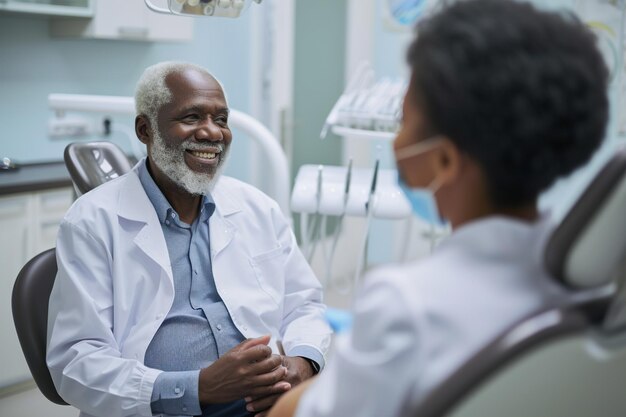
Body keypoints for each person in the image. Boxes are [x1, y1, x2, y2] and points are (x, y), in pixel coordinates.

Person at [267, 1, 609, 417]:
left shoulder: (406, 304)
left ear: (444, 161)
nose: (396, 140)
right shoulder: (593, 286)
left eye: (404, 117)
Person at [47, 61, 332, 417]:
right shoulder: (92, 222)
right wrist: (198, 388)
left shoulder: (256, 207)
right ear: (145, 129)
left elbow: (304, 303)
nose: (212, 133)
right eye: (192, 117)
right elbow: (76, 362)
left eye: (222, 119)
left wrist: (303, 362)